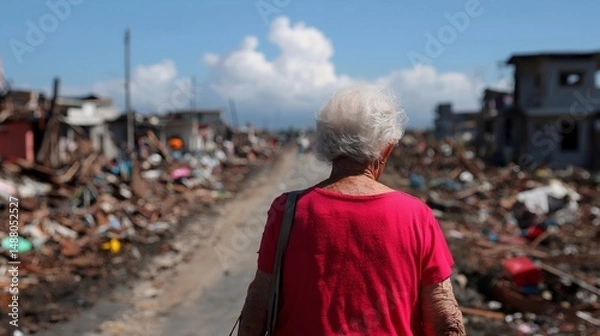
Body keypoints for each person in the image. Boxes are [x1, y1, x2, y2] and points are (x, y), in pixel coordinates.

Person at [239, 85, 465, 336]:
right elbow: (445, 316)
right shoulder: (416, 215)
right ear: (387, 149)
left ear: (325, 144)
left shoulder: (288, 210)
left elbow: (256, 310)